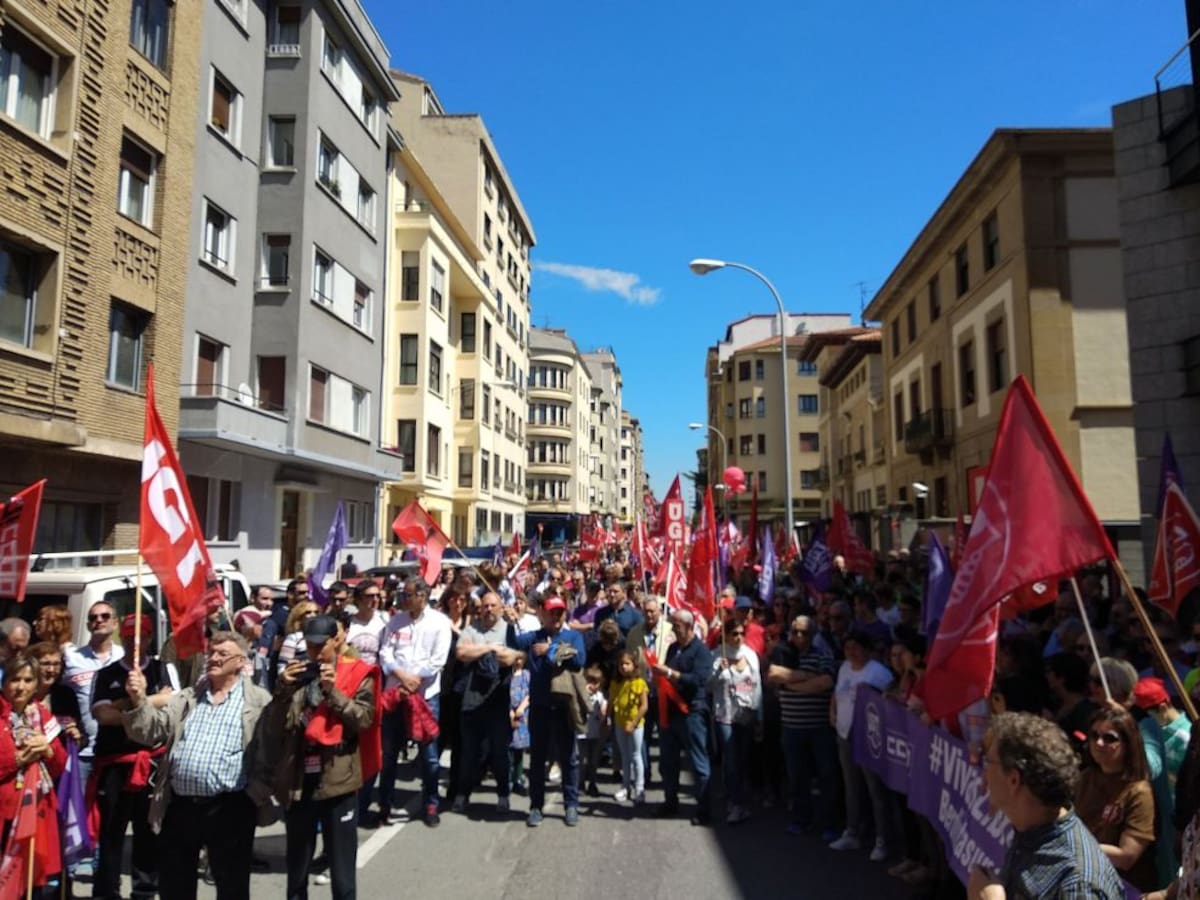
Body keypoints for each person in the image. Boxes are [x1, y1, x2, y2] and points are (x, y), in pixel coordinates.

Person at [122, 631, 271, 900]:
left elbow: (271, 752)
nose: (213, 658)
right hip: (180, 807)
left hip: (230, 808)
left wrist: (255, 793)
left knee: (231, 887)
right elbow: (149, 731)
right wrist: (139, 700)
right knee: (175, 887)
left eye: (222, 654)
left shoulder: (259, 701)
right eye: (211, 652)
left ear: (240, 662)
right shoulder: (187, 698)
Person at [260, 615, 376, 900]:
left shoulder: (357, 673)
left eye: (319, 646)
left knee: (341, 871)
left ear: (336, 641)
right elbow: (275, 727)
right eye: (309, 646)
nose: (313, 652)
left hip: (338, 778)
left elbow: (363, 720)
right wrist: (283, 688)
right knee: (297, 868)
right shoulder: (298, 673)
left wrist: (331, 691)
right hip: (300, 779)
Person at [970, 711, 1124, 899]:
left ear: (1013, 780)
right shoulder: (1030, 830)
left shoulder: (1079, 884)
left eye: (989, 762)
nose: (984, 774)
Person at [90, 614, 177, 900]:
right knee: (112, 832)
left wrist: (136, 703)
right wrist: (141, 702)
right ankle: (106, 891)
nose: (134, 642)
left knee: (148, 830)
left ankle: (144, 890)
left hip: (152, 762)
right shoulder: (106, 674)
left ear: (151, 638)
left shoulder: (165, 670)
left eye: (140, 636)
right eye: (128, 637)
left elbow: (172, 706)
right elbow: (102, 715)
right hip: (116, 764)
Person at [377, 576, 452, 827]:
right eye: (403, 595)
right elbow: (385, 652)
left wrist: (415, 680)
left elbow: (438, 661)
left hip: (425, 697)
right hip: (395, 695)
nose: (403, 599)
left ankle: (431, 803)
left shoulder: (440, 623)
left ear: (422, 595)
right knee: (388, 754)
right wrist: (400, 676)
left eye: (408, 595)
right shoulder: (396, 621)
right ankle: (384, 804)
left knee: (429, 756)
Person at [513, 594, 586, 827]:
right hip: (540, 707)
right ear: (542, 614)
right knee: (537, 759)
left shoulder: (573, 635)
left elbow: (579, 660)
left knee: (569, 758)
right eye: (551, 612)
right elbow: (511, 641)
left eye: (560, 612)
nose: (556, 616)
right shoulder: (533, 637)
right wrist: (509, 618)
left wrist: (551, 650)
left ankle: (571, 804)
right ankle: (536, 806)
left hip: (563, 706)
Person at [767, 614, 838, 838]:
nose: (799, 636)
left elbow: (824, 683)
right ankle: (801, 819)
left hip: (819, 728)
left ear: (813, 634)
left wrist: (790, 684)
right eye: (795, 631)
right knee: (797, 777)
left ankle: (829, 823)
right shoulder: (784, 653)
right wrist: (806, 676)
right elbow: (773, 674)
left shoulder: (822, 655)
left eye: (804, 632)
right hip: (791, 728)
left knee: (827, 776)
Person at [0, 655, 67, 891]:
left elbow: (60, 764)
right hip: (4, 812)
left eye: (28, 680)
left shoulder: (41, 715)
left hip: (34, 809)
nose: (21, 687)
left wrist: (48, 750)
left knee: (29, 880)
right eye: (15, 679)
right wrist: (17, 759)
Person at [453, 592, 523, 814]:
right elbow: (461, 652)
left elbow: (510, 657)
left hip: (498, 700)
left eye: (494, 605)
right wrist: (491, 649)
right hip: (471, 700)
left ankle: (503, 794)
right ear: (480, 608)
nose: (489, 609)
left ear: (501, 608)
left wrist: (482, 651)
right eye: (485, 606)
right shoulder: (471, 629)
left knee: (499, 752)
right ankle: (463, 794)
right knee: (469, 752)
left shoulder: (509, 630)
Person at [1075, 707, 1159, 892]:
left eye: (1109, 738)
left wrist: (1073, 846)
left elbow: (1126, 857)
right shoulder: (1086, 777)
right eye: (1094, 735)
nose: (1098, 743)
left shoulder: (1138, 792)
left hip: (1122, 888)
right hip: (1085, 879)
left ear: (1128, 743)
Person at [829, 629, 895, 860]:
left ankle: (882, 839)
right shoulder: (844, 668)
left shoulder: (880, 674)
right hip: (845, 734)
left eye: (856, 648)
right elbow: (837, 693)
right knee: (852, 786)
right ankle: (852, 832)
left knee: (875, 790)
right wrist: (833, 711)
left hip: (870, 740)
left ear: (866, 649)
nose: (851, 653)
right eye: (847, 648)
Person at [651, 608, 715, 826]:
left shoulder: (701, 651)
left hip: (691, 713)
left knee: (698, 763)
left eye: (677, 625)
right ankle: (670, 801)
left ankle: (704, 809)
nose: (673, 629)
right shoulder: (673, 648)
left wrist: (669, 673)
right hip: (670, 713)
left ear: (689, 626)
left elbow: (698, 679)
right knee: (668, 763)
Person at [1136, 676, 1192, 889]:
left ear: (1163, 705)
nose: (1145, 719)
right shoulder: (1150, 730)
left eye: (1148, 711)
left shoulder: (1188, 736)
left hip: (1181, 818)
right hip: (1161, 817)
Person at [710, 618, 760, 824]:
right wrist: (717, 671)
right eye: (734, 634)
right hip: (725, 715)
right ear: (726, 635)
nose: (738, 637)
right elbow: (707, 685)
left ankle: (740, 796)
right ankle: (735, 803)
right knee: (730, 759)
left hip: (746, 714)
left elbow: (758, 687)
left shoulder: (750, 655)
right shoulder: (717, 654)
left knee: (742, 759)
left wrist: (760, 716)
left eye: (741, 633)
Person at [609, 649, 648, 804]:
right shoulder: (615, 683)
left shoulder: (640, 683)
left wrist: (633, 722)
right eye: (621, 664)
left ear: (634, 665)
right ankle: (626, 786)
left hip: (635, 725)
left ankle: (639, 788)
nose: (624, 667)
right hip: (619, 722)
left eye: (627, 664)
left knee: (636, 755)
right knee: (624, 755)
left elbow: (644, 706)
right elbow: (611, 701)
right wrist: (607, 717)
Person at [509, 653, 531, 796]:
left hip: (522, 715)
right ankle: (508, 780)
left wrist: (522, 708)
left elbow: (530, 693)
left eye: (521, 659)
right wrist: (510, 711)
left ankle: (517, 778)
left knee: (519, 748)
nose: (518, 662)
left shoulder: (527, 675)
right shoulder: (508, 676)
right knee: (508, 749)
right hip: (509, 714)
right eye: (515, 659)